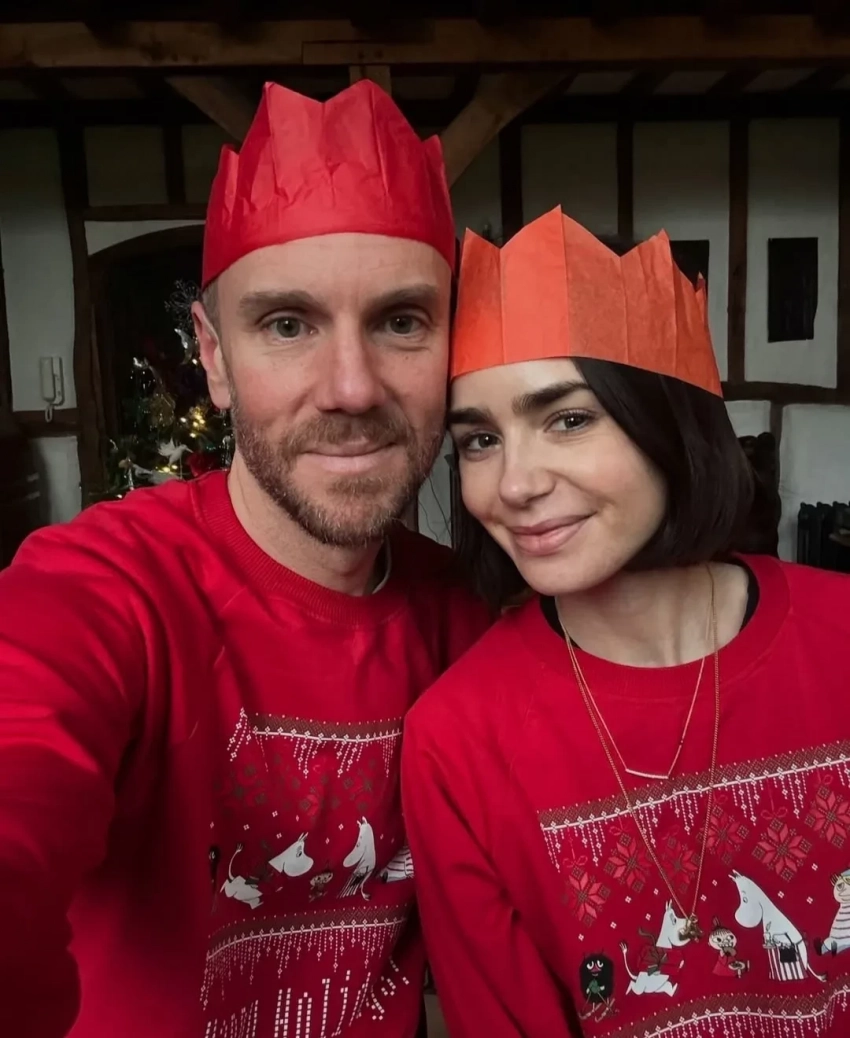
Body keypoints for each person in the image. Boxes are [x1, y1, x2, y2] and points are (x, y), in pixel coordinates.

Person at [0, 81, 489, 1038]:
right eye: (288, 324)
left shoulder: (470, 620)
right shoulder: (105, 586)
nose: (351, 388)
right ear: (215, 358)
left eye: (401, 320)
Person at [402, 207, 850, 1037]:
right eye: (479, 440)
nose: (515, 484)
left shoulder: (842, 639)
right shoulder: (457, 742)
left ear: (669, 420)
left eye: (568, 419)